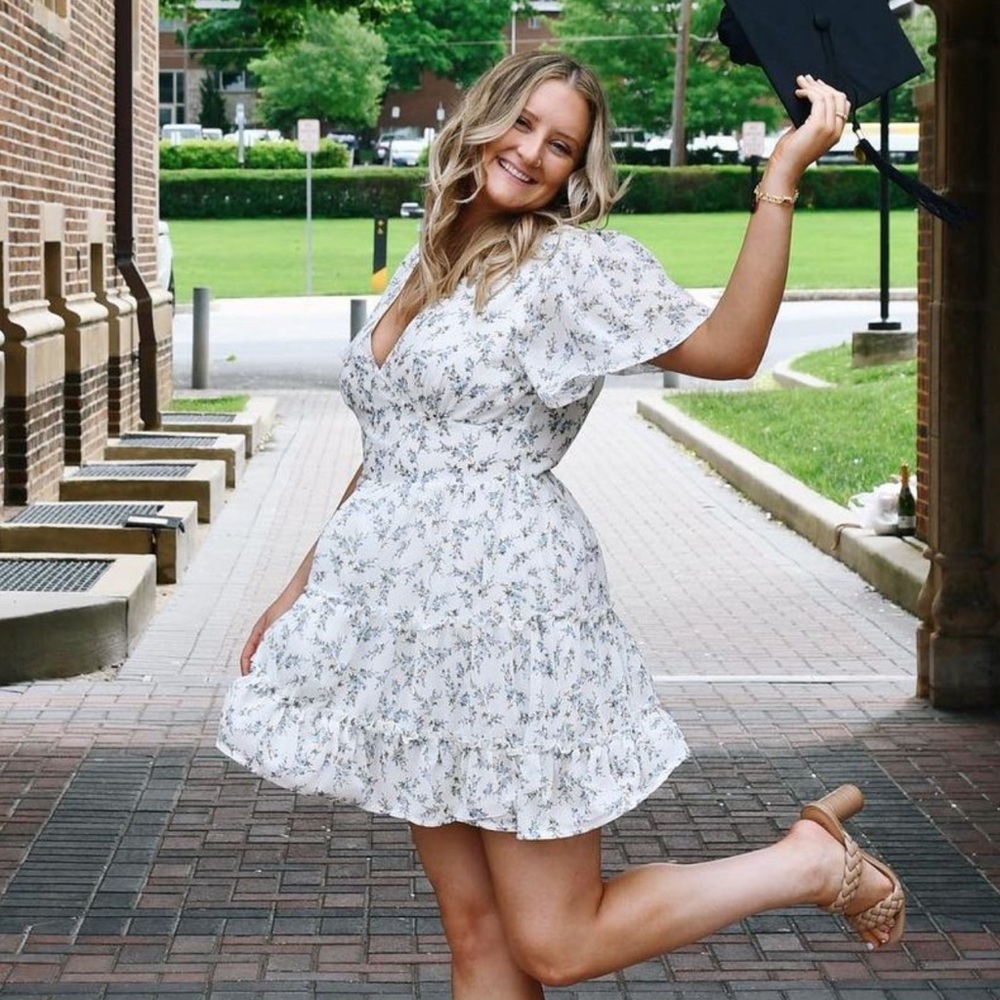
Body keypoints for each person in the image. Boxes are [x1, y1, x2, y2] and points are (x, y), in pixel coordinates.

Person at [217, 51, 904, 997]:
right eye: (524, 124)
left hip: (512, 620)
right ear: (481, 119)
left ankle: (806, 865)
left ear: (575, 170)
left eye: (561, 145)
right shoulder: (427, 256)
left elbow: (732, 349)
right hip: (408, 630)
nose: (534, 153)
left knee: (556, 941)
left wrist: (779, 181)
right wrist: (301, 589)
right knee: (479, 939)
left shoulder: (567, 267)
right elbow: (393, 450)